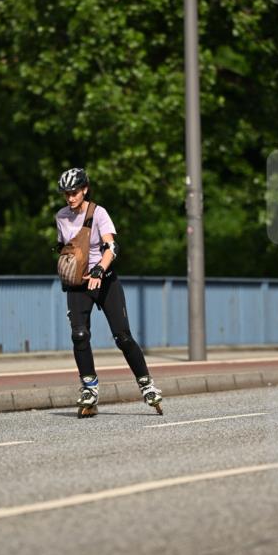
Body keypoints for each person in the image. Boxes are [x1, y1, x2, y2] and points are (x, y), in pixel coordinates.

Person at [55, 167, 163, 415]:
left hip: (105, 281)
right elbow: (66, 248)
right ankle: (89, 388)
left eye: (74, 192)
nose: (70, 197)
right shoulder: (61, 217)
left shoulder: (98, 213)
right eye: (66, 194)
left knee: (122, 337)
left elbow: (111, 247)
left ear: (84, 190)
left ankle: (146, 384)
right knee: (79, 335)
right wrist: (66, 266)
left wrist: (98, 271)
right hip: (78, 285)